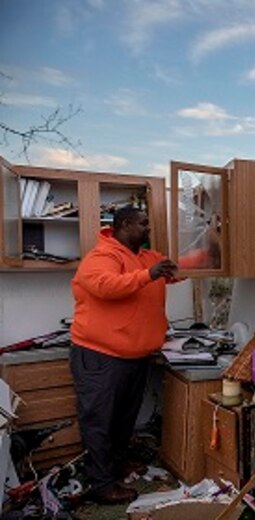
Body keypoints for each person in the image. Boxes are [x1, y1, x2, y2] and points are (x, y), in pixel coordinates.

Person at [70, 205, 178, 504]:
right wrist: (148, 275)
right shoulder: (101, 256)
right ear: (125, 224)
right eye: (143, 224)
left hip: (135, 356)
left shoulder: (145, 257)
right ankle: (101, 485)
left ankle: (117, 467)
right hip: (100, 355)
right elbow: (106, 287)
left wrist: (209, 252)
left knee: (123, 420)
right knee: (99, 422)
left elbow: (174, 269)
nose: (148, 229)